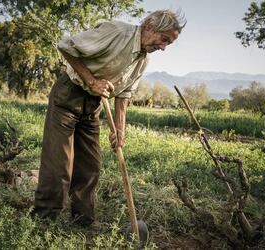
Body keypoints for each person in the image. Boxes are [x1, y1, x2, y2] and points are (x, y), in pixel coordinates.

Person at [34, 10, 186, 226]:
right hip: (69, 94)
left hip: (93, 105)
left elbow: (124, 94)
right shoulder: (116, 32)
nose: (163, 47)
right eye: (164, 40)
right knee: (59, 165)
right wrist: (91, 81)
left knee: (91, 166)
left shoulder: (143, 60)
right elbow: (66, 46)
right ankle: (43, 221)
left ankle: (83, 221)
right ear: (151, 27)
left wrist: (119, 129)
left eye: (168, 44)